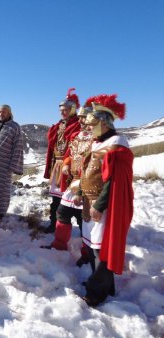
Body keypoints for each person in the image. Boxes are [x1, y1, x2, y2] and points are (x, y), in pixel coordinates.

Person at [79, 94, 133, 307]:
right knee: (94, 246)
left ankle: (96, 292)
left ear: (103, 123)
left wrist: (100, 205)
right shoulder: (98, 143)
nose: (89, 129)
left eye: (92, 125)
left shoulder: (117, 145)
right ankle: (104, 285)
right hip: (89, 201)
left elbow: (113, 181)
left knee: (102, 249)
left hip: (106, 205)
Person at [41, 105, 93, 266]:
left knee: (84, 219)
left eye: (86, 118)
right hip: (74, 181)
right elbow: (71, 153)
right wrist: (67, 163)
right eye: (82, 118)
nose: (82, 121)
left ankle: (88, 253)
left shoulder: (97, 139)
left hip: (90, 184)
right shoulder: (78, 136)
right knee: (62, 212)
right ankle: (59, 245)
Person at [43, 88, 81, 233]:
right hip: (57, 166)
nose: (62, 112)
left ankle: (82, 229)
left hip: (71, 166)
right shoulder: (59, 126)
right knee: (56, 200)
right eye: (61, 110)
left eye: (65, 110)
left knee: (71, 199)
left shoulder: (79, 125)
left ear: (72, 109)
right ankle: (54, 225)